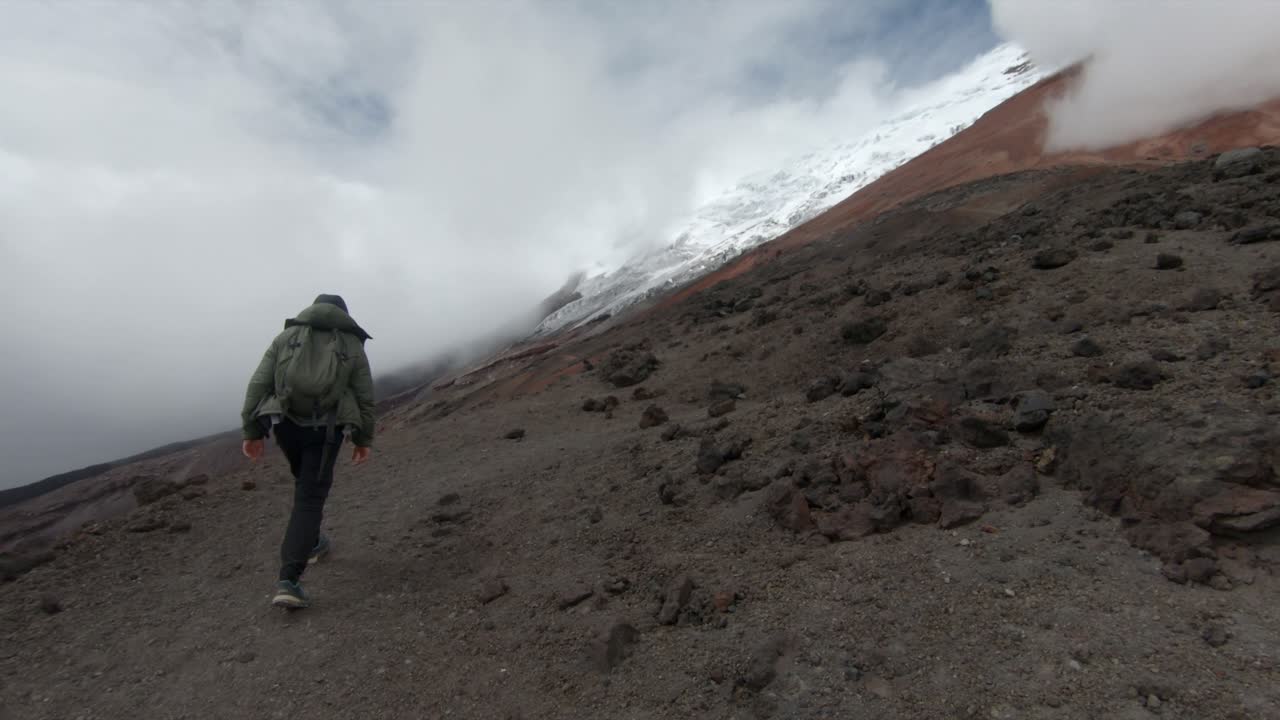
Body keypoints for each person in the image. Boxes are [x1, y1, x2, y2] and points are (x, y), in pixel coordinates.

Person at [240, 294, 375, 608]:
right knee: (310, 496)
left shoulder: (287, 337)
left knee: (305, 483)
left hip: (285, 425)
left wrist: (252, 430)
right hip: (324, 430)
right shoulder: (351, 344)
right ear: (343, 314)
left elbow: (259, 383)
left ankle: (312, 541)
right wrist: (363, 439)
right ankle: (289, 578)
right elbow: (364, 395)